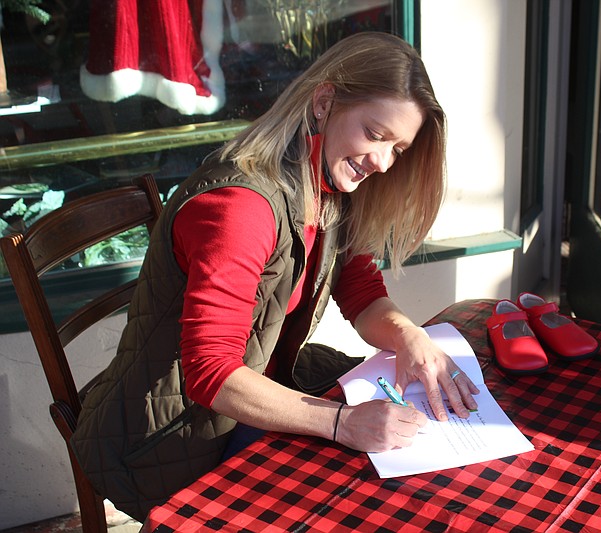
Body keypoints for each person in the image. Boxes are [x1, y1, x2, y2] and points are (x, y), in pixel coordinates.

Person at [70, 31, 479, 521]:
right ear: (325, 102)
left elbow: (362, 293)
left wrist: (409, 336)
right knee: (361, 496)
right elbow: (212, 376)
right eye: (375, 135)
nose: (383, 163)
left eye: (398, 148)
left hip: (251, 390)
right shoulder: (242, 206)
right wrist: (343, 423)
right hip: (172, 435)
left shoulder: (326, 183)